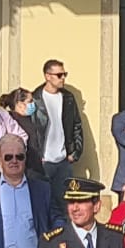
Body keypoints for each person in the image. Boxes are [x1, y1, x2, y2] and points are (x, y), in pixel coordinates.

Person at [28, 60, 85, 218]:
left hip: (63, 161)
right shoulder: (35, 98)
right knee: (42, 205)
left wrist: (75, 152)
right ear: (47, 76)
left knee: (65, 206)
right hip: (43, 162)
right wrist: (37, 157)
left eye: (64, 74)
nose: (63, 78)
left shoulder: (68, 98)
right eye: (59, 75)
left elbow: (76, 125)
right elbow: (29, 129)